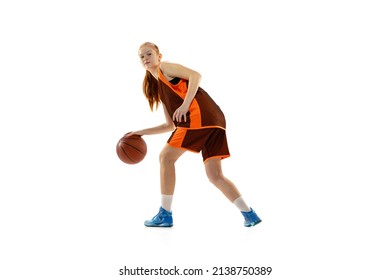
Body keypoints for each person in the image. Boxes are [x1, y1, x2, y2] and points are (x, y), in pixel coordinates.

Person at [127, 42, 261, 227]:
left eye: (149, 53)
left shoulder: (165, 68)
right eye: (141, 56)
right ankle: (250, 214)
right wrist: (141, 132)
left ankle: (165, 214)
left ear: (159, 56)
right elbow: (170, 124)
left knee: (166, 157)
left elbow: (196, 75)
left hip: (200, 117)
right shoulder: (159, 89)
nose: (145, 58)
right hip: (215, 121)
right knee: (215, 175)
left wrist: (184, 105)